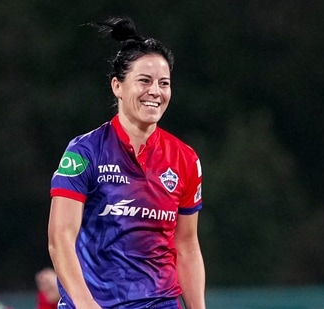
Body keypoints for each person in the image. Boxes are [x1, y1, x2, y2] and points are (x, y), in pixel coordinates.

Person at [47, 16, 206, 309]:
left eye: (164, 83)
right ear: (117, 86)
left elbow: (186, 245)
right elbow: (60, 238)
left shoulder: (185, 159)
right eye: (144, 81)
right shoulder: (85, 153)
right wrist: (84, 304)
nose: (155, 92)